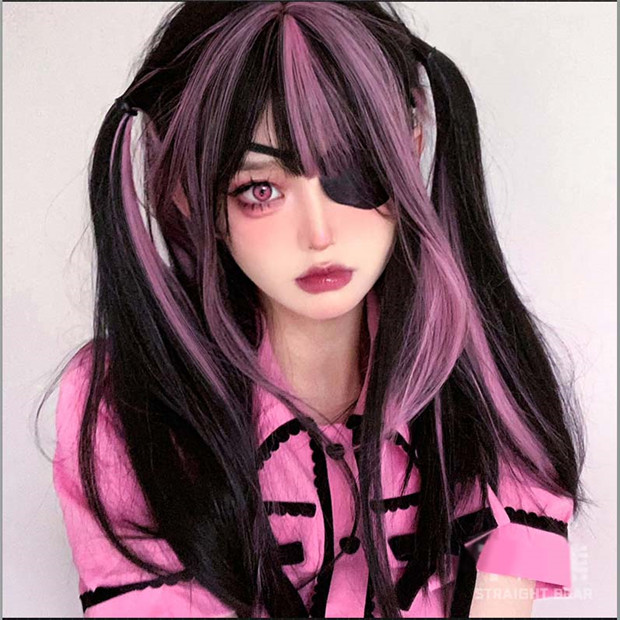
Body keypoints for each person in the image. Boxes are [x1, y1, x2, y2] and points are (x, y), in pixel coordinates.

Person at [48, 2, 587, 617]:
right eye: (261, 189)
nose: (320, 232)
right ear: (190, 199)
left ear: (409, 148)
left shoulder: (483, 373)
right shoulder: (129, 400)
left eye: (354, 168)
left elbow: (506, 581)